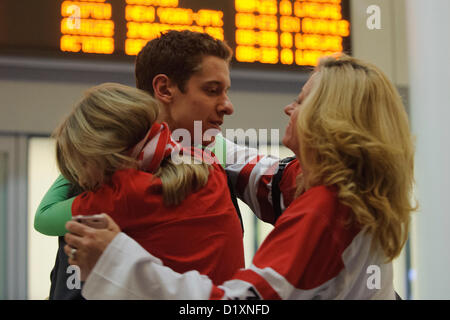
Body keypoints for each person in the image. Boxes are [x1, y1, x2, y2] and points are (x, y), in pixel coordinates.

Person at [64, 54, 416, 299]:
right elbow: (263, 175)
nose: (288, 108)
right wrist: (181, 138)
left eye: (301, 101)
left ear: (329, 120)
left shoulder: (324, 212)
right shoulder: (343, 189)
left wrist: (116, 261)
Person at [35, 30, 250, 300]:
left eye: (224, 91)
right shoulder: (212, 168)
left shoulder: (117, 190)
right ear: (164, 89)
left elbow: (43, 219)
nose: (228, 106)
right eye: (212, 90)